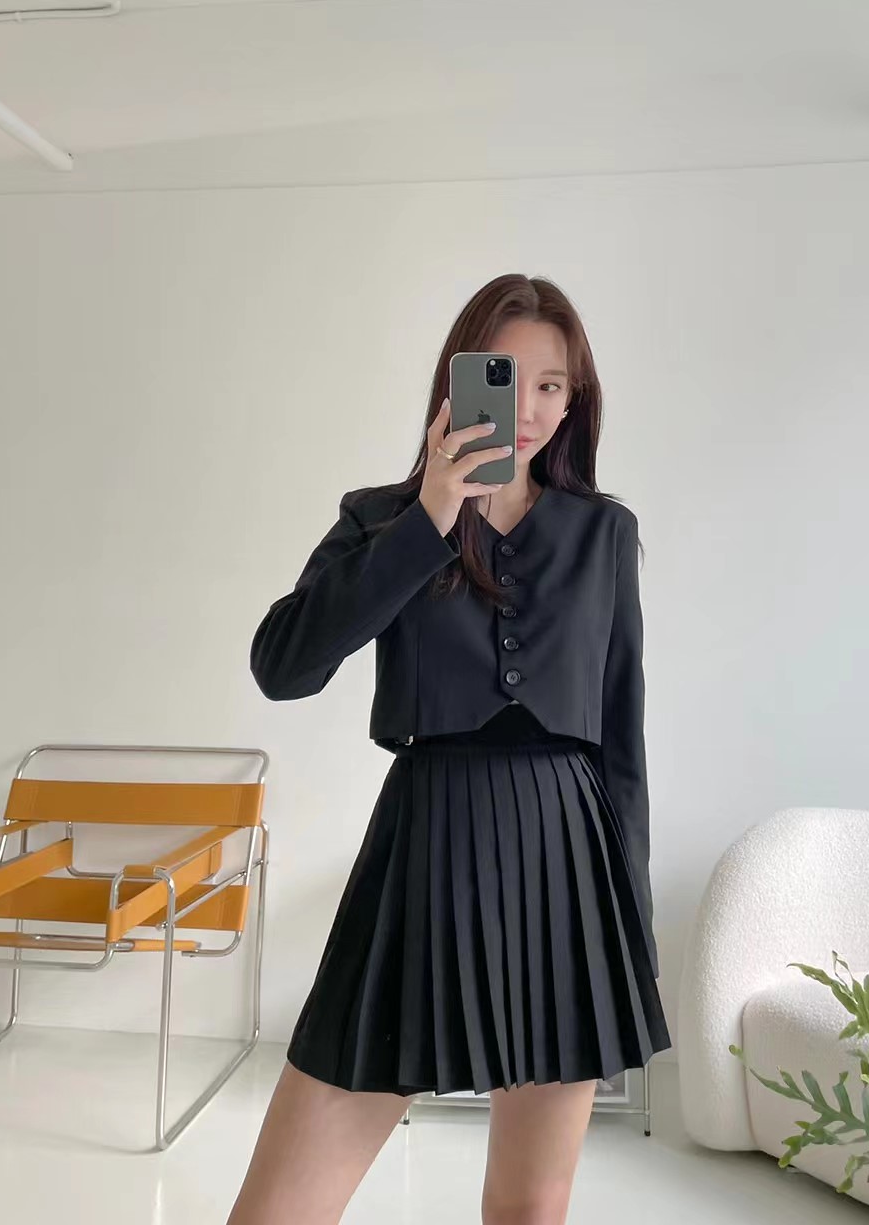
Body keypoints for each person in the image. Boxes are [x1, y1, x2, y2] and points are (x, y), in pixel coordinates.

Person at [228, 274, 671, 1225]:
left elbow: (622, 746)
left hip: (570, 870)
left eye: (554, 386)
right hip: (425, 854)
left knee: (528, 1210)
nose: (532, 408)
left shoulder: (604, 533)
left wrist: (631, 926)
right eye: (507, 378)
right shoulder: (381, 518)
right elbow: (283, 667)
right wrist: (430, 515)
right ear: (460, 382)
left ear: (575, 402)